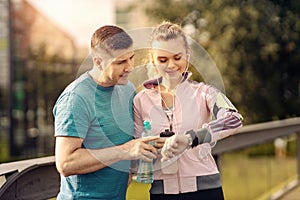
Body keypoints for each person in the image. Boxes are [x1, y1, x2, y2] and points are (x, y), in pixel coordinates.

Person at [133, 21, 243, 200]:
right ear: (152, 60)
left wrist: (190, 138)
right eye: (163, 59)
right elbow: (135, 147)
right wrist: (150, 146)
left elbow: (234, 119)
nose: (171, 65)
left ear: (188, 56)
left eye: (177, 58)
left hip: (206, 192)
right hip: (162, 193)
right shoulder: (140, 100)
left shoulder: (205, 92)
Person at [53, 25, 158, 200]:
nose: (130, 67)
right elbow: (65, 163)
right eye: (120, 62)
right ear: (98, 61)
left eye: (131, 58)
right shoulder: (76, 98)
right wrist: (124, 151)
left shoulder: (127, 88)